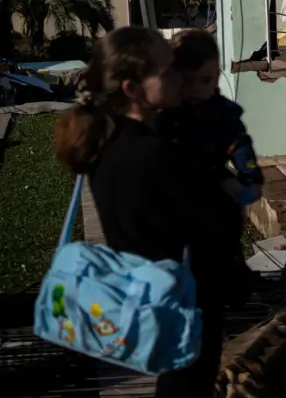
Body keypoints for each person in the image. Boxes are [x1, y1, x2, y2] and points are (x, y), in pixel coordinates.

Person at [54, 27, 243, 398]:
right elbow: (220, 223)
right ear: (133, 89)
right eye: (168, 70)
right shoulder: (150, 157)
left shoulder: (113, 141)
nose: (180, 77)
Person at [159, 29, 264, 208]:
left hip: (211, 176)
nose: (195, 89)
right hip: (173, 181)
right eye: (186, 81)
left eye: (204, 80)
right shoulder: (166, 111)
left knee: (226, 185)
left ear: (216, 77)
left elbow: (239, 145)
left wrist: (250, 177)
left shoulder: (223, 113)